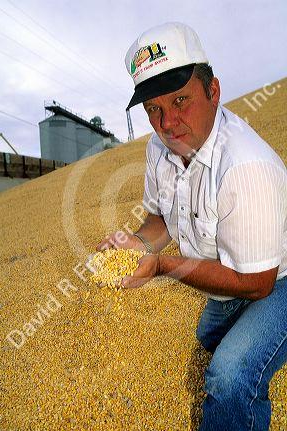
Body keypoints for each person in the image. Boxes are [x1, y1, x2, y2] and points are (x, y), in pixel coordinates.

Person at [96, 22, 287, 431]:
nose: (168, 123)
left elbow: (257, 283)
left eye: (181, 99)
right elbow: (161, 218)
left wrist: (163, 266)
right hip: (233, 268)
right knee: (208, 342)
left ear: (212, 91)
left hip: (277, 279)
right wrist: (140, 244)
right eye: (154, 109)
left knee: (230, 374)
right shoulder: (159, 150)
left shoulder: (245, 166)